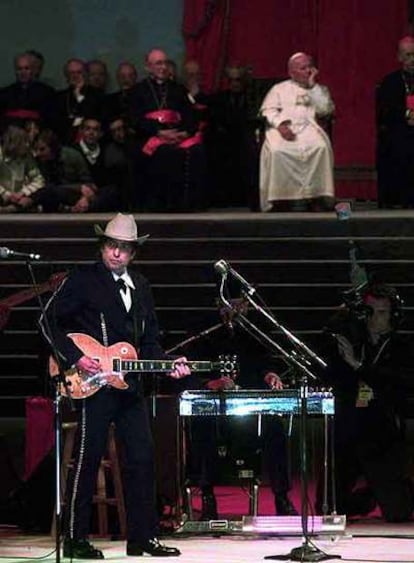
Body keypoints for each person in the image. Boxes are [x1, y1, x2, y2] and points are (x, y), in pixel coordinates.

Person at [40, 213, 190, 559]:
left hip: (129, 388)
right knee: (87, 458)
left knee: (142, 458)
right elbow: (47, 321)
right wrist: (76, 357)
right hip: (92, 384)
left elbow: (149, 343)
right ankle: (75, 537)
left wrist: (169, 365)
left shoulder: (142, 287)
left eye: (123, 248)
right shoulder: (83, 280)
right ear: (103, 247)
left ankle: (142, 537)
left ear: (133, 252)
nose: (116, 254)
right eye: (111, 246)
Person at [322, 283, 414, 522]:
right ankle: (368, 497)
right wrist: (342, 315)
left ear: (393, 315)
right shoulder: (353, 342)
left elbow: (399, 382)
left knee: (398, 514)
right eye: (370, 311)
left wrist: (359, 367)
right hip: (349, 431)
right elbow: (327, 354)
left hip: (381, 435)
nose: (375, 318)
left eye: (382, 312)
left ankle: (396, 488)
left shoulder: (401, 347)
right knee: (328, 509)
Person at [128, 48, 207, 211]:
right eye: (158, 63)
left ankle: (190, 205)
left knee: (198, 150)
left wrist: (184, 133)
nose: (163, 67)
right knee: (166, 152)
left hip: (178, 136)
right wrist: (158, 132)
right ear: (148, 67)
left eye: (165, 63)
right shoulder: (137, 91)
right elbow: (133, 119)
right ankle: (164, 205)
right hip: (150, 136)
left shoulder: (178, 89)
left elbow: (190, 116)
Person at [259, 52, 335, 212]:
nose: (308, 71)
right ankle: (282, 199)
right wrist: (280, 125)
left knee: (319, 148)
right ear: (291, 72)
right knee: (277, 151)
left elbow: (325, 110)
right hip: (283, 130)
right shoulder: (278, 89)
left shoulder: (319, 89)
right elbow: (268, 110)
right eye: (303, 68)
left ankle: (316, 197)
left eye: (310, 67)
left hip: (310, 128)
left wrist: (313, 87)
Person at [376, 36, 414, 208]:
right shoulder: (390, 82)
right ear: (399, 57)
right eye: (407, 55)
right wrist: (407, 114)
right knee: (398, 143)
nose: (412, 60)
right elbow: (385, 111)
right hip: (399, 129)